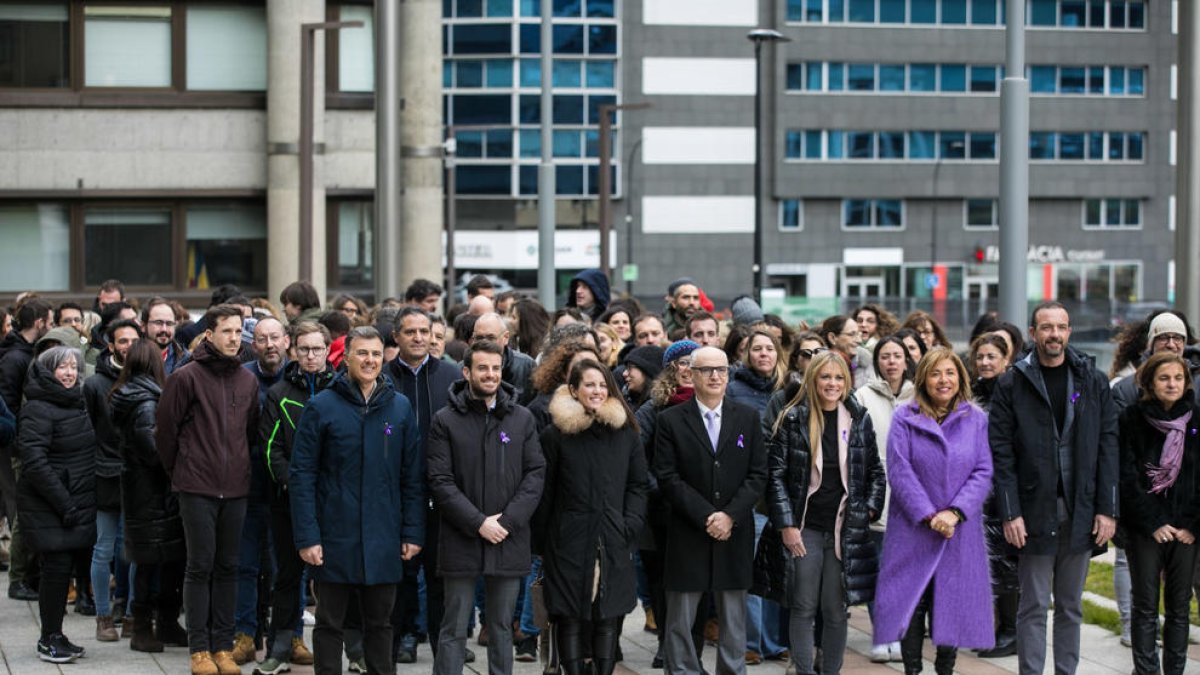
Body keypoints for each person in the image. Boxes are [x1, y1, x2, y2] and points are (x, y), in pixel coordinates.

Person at [988, 301, 1118, 675]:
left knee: (1070, 606)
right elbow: (1001, 453)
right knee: (1032, 606)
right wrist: (1010, 512)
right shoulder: (1012, 382)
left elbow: (1108, 444)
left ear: (1069, 331)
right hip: (1032, 511)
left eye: (1061, 327)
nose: (1054, 335)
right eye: (1046, 328)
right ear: (1032, 333)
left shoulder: (1092, 380)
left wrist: (1108, 508)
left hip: (1080, 509)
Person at [290, 326, 425, 675]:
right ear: (346, 357)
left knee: (381, 624)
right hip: (334, 535)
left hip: (384, 535)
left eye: (376, 354)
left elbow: (412, 476)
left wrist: (412, 531)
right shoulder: (321, 407)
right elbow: (302, 475)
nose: (369, 360)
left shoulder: (399, 408)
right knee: (329, 623)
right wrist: (308, 537)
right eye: (362, 353)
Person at [753, 351, 884, 675]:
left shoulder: (858, 418)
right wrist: (786, 524)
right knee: (803, 606)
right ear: (813, 379)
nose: (832, 383)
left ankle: (832, 671)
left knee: (836, 609)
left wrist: (866, 511)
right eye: (826, 377)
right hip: (805, 529)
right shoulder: (793, 419)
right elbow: (777, 476)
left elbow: (875, 473)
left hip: (843, 529)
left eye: (839, 378)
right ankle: (803, 670)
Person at [427, 341, 546, 675]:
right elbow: (440, 479)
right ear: (467, 372)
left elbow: (535, 474)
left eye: (495, 368)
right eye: (482, 368)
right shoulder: (445, 420)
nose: (490, 374)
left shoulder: (521, 418)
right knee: (454, 628)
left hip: (508, 538)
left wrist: (507, 522)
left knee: (501, 626)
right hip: (461, 537)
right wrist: (478, 522)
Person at [873, 348, 994, 674]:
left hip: (959, 530)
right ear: (924, 378)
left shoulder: (976, 419)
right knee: (912, 602)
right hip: (913, 528)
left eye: (950, 373)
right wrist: (930, 515)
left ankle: (945, 669)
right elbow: (899, 471)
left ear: (960, 378)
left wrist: (954, 512)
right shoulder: (904, 417)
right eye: (936, 373)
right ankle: (912, 669)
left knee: (950, 603)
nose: (944, 380)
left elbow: (983, 471)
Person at [156, 304, 261, 675]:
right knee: (200, 566)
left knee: (229, 566)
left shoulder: (248, 381)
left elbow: (249, 434)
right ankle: (199, 648)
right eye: (227, 331)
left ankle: (223, 646)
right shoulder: (186, 377)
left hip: (235, 487)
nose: (234, 338)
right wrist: (182, 470)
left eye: (238, 331)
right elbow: (165, 434)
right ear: (209, 334)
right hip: (196, 486)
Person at [654, 346, 767, 675]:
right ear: (690, 374)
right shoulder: (670, 420)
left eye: (721, 370)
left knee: (733, 613)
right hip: (689, 529)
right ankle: (683, 670)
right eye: (707, 370)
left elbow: (758, 474)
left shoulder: (746, 417)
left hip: (734, 529)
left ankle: (732, 670)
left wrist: (729, 515)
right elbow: (667, 477)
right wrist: (707, 516)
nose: (715, 376)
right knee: (681, 615)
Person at [535, 360, 648, 675]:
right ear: (574, 389)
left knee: (607, 618)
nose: (597, 391)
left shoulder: (625, 432)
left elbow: (638, 484)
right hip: (568, 541)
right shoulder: (555, 435)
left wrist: (629, 524)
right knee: (568, 617)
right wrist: (545, 541)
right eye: (589, 384)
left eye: (602, 385)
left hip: (613, 538)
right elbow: (544, 494)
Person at [253, 322, 336, 675]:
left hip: (333, 503)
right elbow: (271, 450)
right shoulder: (280, 393)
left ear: (328, 350)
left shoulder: (342, 389)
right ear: (294, 351)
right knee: (287, 577)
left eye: (317, 349)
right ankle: (280, 647)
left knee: (336, 578)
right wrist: (296, 485)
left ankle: (353, 648)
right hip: (287, 503)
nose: (311, 356)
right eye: (304, 349)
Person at [383, 308, 463, 664]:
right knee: (399, 576)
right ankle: (402, 639)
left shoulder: (450, 376)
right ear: (396, 337)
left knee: (439, 577)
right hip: (393, 494)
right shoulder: (382, 377)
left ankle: (443, 647)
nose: (418, 338)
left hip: (441, 493)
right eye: (410, 331)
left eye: (424, 331)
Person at [1118, 352, 1200, 675]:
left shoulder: (1196, 418)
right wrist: (1153, 522)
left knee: (1180, 609)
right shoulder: (1131, 419)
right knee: (1145, 606)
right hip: (1147, 529)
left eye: (1178, 378)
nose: (1172, 384)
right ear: (1150, 381)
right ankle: (1147, 670)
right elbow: (1127, 477)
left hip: (1186, 531)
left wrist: (1191, 525)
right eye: (1164, 378)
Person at [17, 346, 97, 663]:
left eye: (73, 366)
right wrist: (64, 503)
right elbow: (34, 463)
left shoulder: (76, 401)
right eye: (61, 367)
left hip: (72, 501)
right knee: (55, 571)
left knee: (62, 572)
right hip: (51, 504)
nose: (69, 372)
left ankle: (57, 634)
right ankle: (48, 638)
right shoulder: (38, 408)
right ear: (47, 371)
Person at [111, 339, 187, 653]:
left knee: (159, 560)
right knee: (153, 562)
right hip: (153, 494)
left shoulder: (131, 395)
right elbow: (155, 452)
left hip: (144, 493)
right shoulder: (145, 402)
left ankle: (164, 623)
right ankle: (144, 628)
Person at [853, 335, 915, 663]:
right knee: (878, 569)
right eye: (885, 356)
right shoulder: (862, 395)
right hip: (877, 495)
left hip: (913, 498)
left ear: (906, 360)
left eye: (897, 355)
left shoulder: (919, 396)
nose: (891, 361)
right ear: (877, 361)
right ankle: (882, 635)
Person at [82, 318, 142, 642]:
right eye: (123, 341)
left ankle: (132, 614)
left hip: (138, 475)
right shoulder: (94, 385)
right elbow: (86, 430)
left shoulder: (146, 378)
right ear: (111, 345)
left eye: (134, 340)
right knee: (104, 548)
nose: (129, 346)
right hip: (105, 473)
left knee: (134, 550)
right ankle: (103, 616)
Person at [968, 333, 1019, 658]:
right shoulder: (970, 392)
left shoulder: (1012, 391)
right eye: (981, 357)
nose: (985, 362)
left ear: (1006, 360)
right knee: (984, 562)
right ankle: (992, 625)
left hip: (1004, 486)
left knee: (1005, 562)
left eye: (992, 357)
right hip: (976, 488)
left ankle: (1011, 630)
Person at [1, 297, 54, 602]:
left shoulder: (23, 353)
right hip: (20, 447)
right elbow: (7, 407)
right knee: (22, 512)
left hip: (27, 442)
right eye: (49, 320)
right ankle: (18, 577)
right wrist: (22, 441)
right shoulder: (15, 359)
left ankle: (26, 575)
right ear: (39, 323)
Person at [470, 312, 536, 404]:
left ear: (506, 338)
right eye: (479, 338)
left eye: (491, 337)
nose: (484, 343)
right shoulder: (465, 367)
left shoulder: (526, 366)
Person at [818, 315, 873, 389]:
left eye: (859, 334)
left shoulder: (866, 362)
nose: (859, 341)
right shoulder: (817, 366)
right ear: (832, 338)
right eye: (852, 334)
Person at [143, 296, 191, 374]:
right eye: (158, 323)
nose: (164, 329)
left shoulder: (186, 361)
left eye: (169, 324)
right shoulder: (131, 357)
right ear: (143, 326)